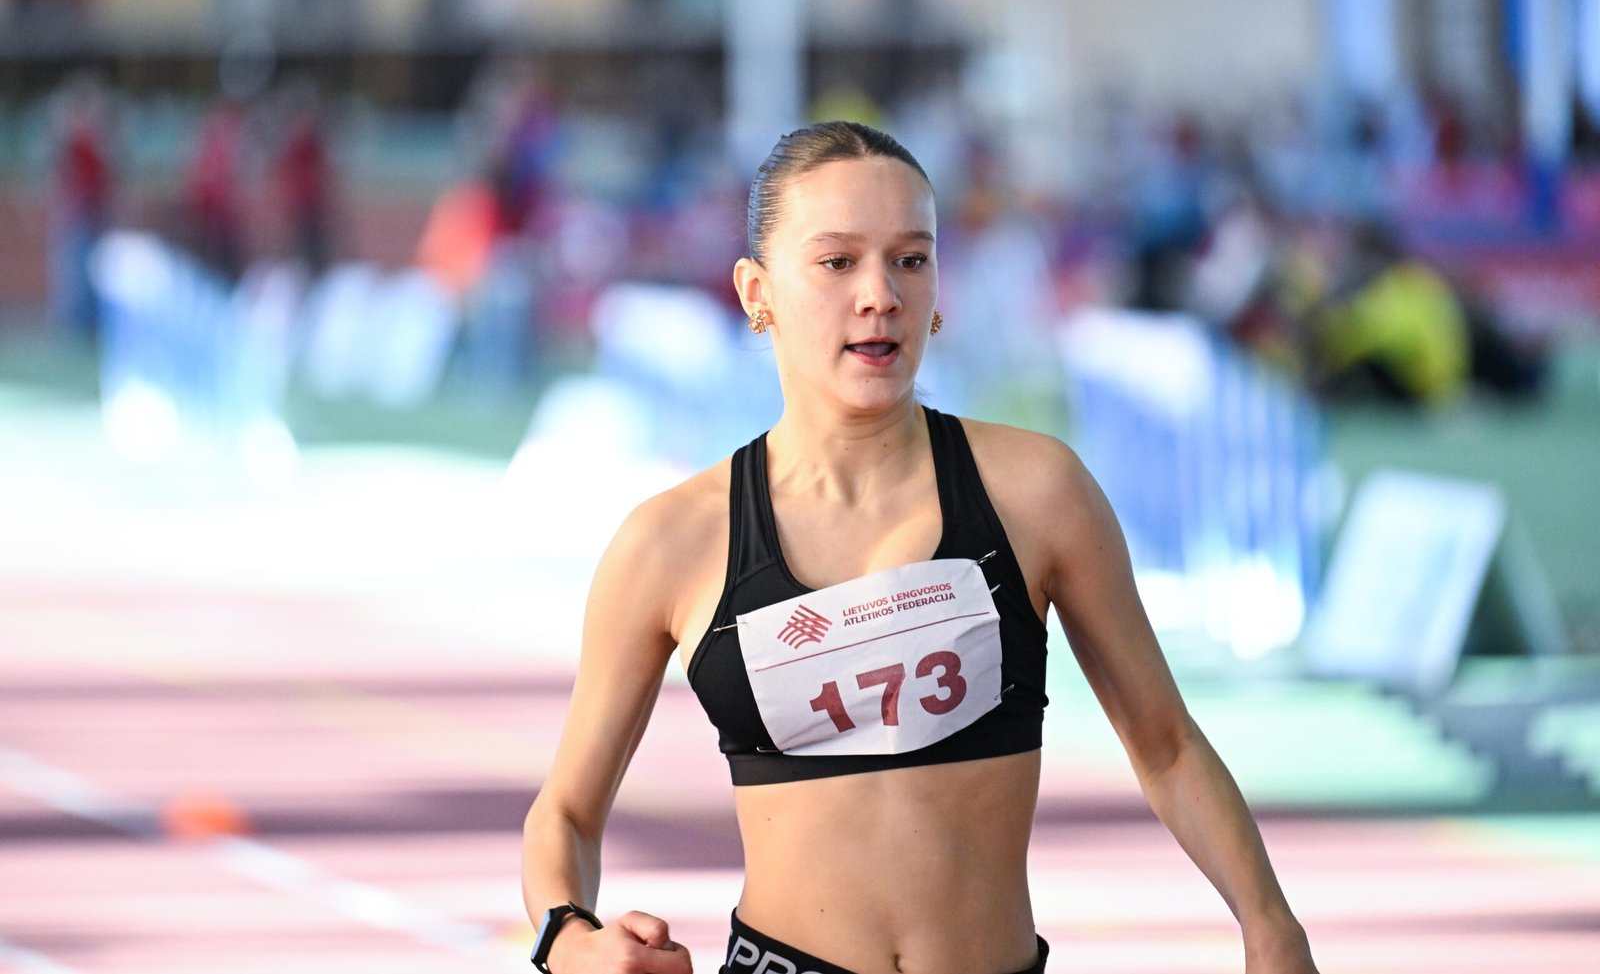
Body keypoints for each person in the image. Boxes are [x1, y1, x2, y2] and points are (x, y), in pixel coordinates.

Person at [520, 120, 1320, 974]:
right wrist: (571, 941)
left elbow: (1167, 744)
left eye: (910, 259)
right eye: (837, 262)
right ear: (757, 292)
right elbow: (565, 812)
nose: (880, 294)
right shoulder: (672, 541)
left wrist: (1271, 925)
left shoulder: (1037, 492)